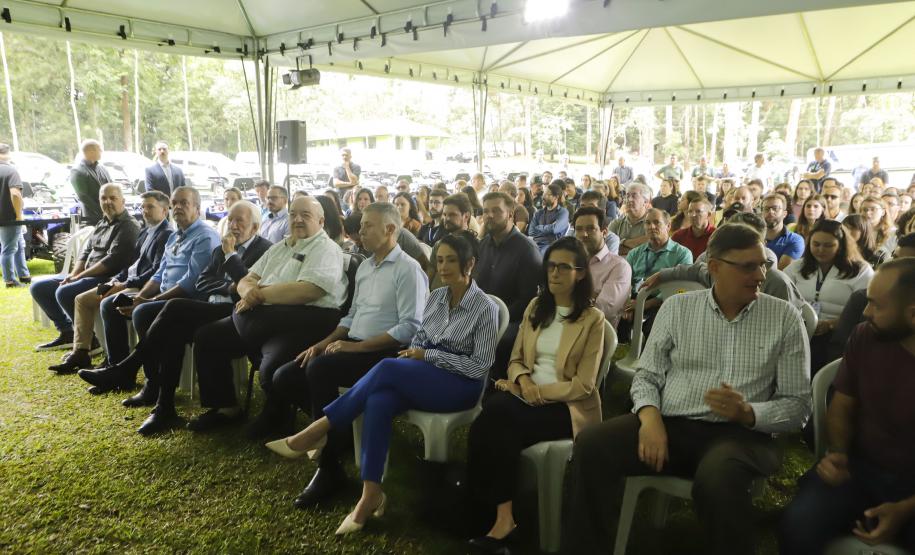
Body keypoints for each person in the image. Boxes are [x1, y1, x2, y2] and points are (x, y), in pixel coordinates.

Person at [565, 224, 811, 555]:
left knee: (719, 476)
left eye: (763, 265)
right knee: (592, 444)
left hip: (741, 435)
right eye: (748, 267)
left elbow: (798, 405)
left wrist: (749, 412)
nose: (761, 275)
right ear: (715, 267)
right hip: (672, 425)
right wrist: (650, 419)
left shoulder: (784, 317)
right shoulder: (678, 308)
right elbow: (647, 375)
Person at [266, 231, 498, 537]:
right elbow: (419, 339)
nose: (443, 267)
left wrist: (429, 356)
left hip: (460, 385)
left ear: (469, 264)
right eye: (440, 260)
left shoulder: (485, 308)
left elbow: (479, 367)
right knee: (379, 400)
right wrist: (421, 355)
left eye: (451, 261)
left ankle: (319, 428)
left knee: (387, 366)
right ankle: (370, 493)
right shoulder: (437, 297)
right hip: (426, 374)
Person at [263, 202, 428, 508]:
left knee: (321, 369)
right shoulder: (365, 267)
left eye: (367, 226)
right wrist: (323, 343)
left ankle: (329, 468)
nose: (360, 231)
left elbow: (410, 327)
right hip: (354, 345)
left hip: (386, 353)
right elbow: (351, 316)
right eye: (361, 225)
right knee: (285, 376)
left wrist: (355, 347)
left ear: (390, 229)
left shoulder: (408, 269)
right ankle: (338, 436)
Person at [468, 237, 605, 553]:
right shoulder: (536, 307)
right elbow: (515, 360)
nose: (554, 273)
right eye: (551, 266)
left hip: (565, 407)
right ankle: (498, 518)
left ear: (581, 273)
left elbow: (584, 385)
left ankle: (492, 518)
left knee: (496, 416)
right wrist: (524, 382)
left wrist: (538, 392)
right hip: (524, 396)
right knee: (491, 424)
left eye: (563, 267)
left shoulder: (592, 320)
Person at [88, 201, 271, 434]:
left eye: (239, 221)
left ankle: (129, 367)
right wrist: (229, 286)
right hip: (212, 307)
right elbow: (203, 282)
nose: (233, 225)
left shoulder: (264, 250)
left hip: (240, 312)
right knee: (172, 329)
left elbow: (250, 287)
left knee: (175, 307)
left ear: (254, 227)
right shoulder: (221, 248)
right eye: (230, 220)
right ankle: (164, 406)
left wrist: (230, 260)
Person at [780, 257, 915, 554]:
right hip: (859, 470)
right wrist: (838, 452)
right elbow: (842, 404)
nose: (866, 312)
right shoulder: (866, 336)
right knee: (799, 525)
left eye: (877, 305)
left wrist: (905, 509)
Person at [188, 196, 347, 439]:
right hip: (266, 314)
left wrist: (258, 295)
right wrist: (248, 292)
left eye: (305, 215)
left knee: (271, 362)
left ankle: (276, 415)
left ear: (321, 221)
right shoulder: (281, 246)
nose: (297, 219)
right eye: (293, 214)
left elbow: (309, 290)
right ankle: (225, 407)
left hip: (308, 318)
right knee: (208, 337)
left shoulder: (325, 248)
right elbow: (247, 279)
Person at [77, 187, 221, 394]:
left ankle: (151, 384)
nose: (177, 207)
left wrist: (149, 301)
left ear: (197, 208)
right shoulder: (175, 236)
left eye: (184, 203)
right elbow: (159, 274)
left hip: (189, 301)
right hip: (163, 296)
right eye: (175, 203)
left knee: (143, 312)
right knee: (111, 304)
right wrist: (141, 296)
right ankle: (116, 370)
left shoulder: (205, 236)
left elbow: (190, 283)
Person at [49, 191, 173, 373]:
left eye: (150, 207)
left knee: (106, 303)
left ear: (164, 210)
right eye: (142, 207)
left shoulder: (166, 234)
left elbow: (155, 271)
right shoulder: (146, 231)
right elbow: (131, 264)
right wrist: (116, 279)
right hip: (127, 280)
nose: (145, 211)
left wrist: (126, 283)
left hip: (142, 286)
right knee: (82, 299)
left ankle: (115, 361)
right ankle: (81, 352)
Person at [31, 184, 141, 351]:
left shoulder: (128, 226)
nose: (108, 202)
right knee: (39, 288)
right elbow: (86, 252)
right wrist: (73, 275)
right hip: (87, 275)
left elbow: (112, 261)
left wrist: (79, 277)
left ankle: (90, 340)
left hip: (109, 278)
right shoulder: (102, 222)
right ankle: (67, 332)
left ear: (123, 201)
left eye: (113, 198)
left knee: (64, 292)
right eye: (104, 198)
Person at [784, 219, 874, 372]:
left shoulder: (860, 271)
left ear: (841, 246)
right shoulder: (797, 267)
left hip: (840, 333)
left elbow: (864, 311)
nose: (821, 250)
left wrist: (831, 324)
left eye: (828, 245)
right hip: (800, 329)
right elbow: (783, 297)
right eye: (816, 244)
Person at [476, 191, 541, 356]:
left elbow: (527, 300)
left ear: (510, 214)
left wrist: (492, 319)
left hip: (511, 321)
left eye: (496, 210)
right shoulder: (483, 245)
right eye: (485, 211)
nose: (489, 215)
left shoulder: (527, 250)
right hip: (481, 316)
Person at [619, 209, 693, 334]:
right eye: (647, 223)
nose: (651, 227)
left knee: (653, 328)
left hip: (664, 302)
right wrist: (628, 304)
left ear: (668, 226)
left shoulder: (682, 254)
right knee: (617, 320)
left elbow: (680, 288)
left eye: (656, 222)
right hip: (635, 299)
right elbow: (624, 283)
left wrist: (645, 304)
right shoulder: (634, 253)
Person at [574, 207, 631, 327]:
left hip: (596, 332)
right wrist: (591, 296)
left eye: (591, 229)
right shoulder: (569, 261)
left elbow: (603, 311)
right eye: (579, 229)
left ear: (604, 232)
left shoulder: (619, 266)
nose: (584, 234)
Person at [0, 143, 29, 287]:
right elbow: (16, 194)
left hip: (2, 218)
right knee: (9, 249)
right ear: (7, 154)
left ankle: (24, 275)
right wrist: (18, 216)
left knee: (19, 245)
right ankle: (10, 281)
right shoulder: (11, 171)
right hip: (10, 217)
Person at [70, 139, 111, 225]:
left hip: (110, 214)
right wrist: (103, 210)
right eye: (99, 149)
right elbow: (83, 196)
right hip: (93, 217)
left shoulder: (102, 168)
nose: (102, 151)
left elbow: (111, 186)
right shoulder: (78, 171)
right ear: (91, 152)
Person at [762, 193, 806, 270]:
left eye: (775, 208)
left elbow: (780, 272)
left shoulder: (795, 240)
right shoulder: (754, 237)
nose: (770, 212)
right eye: (766, 209)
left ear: (784, 214)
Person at [609, 182, 652, 256]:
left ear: (645, 202)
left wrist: (622, 242)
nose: (629, 199)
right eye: (627, 196)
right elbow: (608, 249)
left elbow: (652, 248)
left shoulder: (652, 224)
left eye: (634, 196)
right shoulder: (616, 223)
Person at [528, 181, 570, 254]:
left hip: (552, 246)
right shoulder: (538, 213)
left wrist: (539, 227)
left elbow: (555, 229)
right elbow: (531, 231)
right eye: (543, 194)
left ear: (556, 197)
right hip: (536, 243)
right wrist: (549, 229)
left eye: (547, 194)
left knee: (538, 253)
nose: (543, 197)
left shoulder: (563, 212)